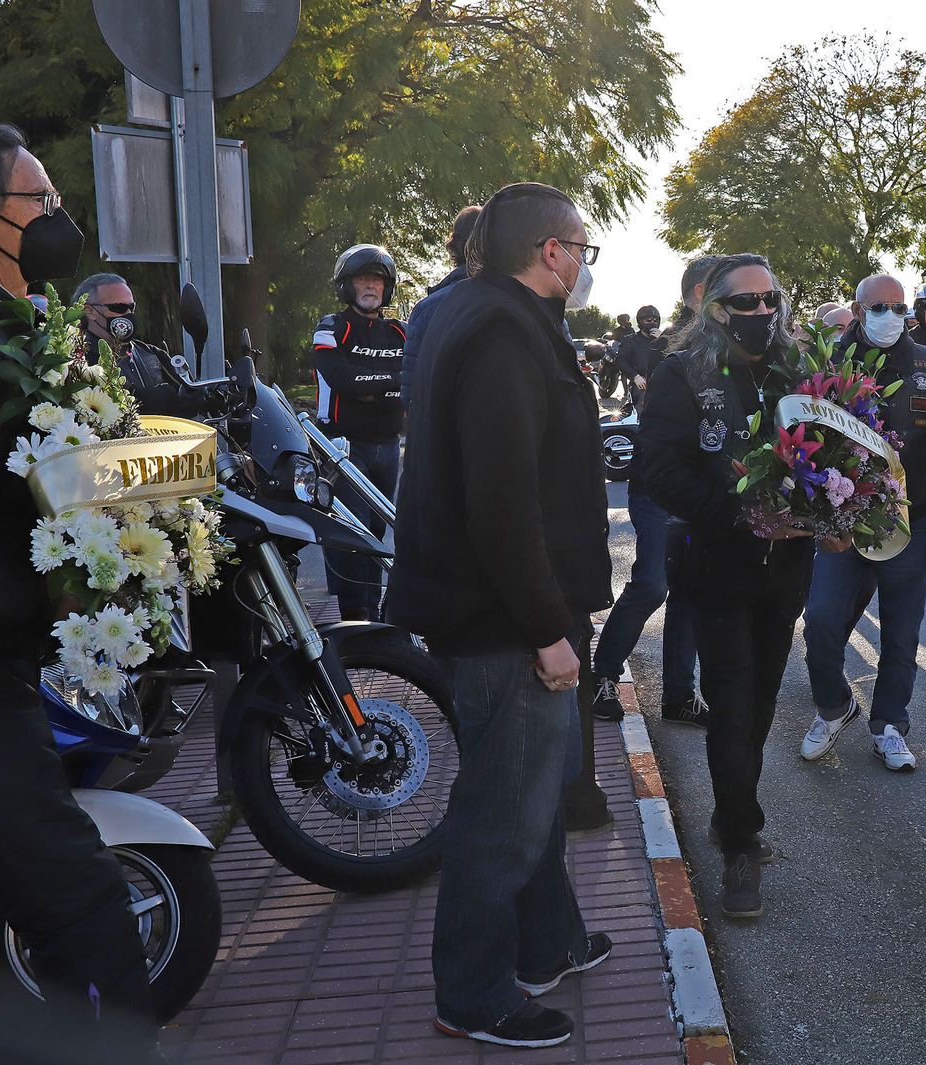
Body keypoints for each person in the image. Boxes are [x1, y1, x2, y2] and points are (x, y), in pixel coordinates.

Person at [390, 182, 614, 1049]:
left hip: (498, 604)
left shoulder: (470, 309)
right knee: (502, 809)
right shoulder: (501, 332)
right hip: (502, 617)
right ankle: (475, 992)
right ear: (551, 251)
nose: (586, 264)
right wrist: (547, 629)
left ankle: (546, 939)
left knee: (536, 792)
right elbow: (504, 502)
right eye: (583, 248)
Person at [0, 122, 158, 1061]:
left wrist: (166, 470)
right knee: (84, 908)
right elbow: (37, 473)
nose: (57, 221)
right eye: (39, 202)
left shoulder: (14, 315)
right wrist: (163, 478)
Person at [636, 253, 835, 918]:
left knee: (761, 699)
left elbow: (834, 454)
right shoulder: (680, 373)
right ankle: (741, 843)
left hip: (785, 573)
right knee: (731, 700)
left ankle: (733, 815)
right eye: (743, 302)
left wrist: (840, 509)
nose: (759, 312)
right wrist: (744, 513)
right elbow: (659, 470)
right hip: (715, 566)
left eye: (768, 299)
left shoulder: (799, 369)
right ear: (712, 307)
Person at [798, 274, 926, 771]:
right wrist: (816, 518)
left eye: (900, 308)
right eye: (880, 306)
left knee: (901, 635)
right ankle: (835, 707)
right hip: (843, 524)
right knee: (822, 624)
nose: (892, 316)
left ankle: (890, 726)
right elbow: (802, 440)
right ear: (857, 310)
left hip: (912, 524)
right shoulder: (829, 363)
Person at [591, 268, 710, 729]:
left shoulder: (733, 349)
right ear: (702, 295)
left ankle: (680, 696)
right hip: (658, 486)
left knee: (690, 592)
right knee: (653, 584)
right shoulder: (673, 346)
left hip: (701, 492)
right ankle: (603, 675)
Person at [311, 243, 406, 621]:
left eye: (378, 281)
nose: (371, 287)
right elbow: (343, 378)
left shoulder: (402, 331)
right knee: (351, 536)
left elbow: (414, 382)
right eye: (363, 279)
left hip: (389, 446)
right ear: (346, 285)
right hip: (342, 448)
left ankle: (376, 617)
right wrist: (391, 383)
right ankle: (356, 618)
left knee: (378, 532)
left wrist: (376, 387)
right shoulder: (331, 326)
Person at [72, 270, 198, 415]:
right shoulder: (75, 358)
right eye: (118, 307)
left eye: (131, 307)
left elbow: (186, 395)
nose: (128, 314)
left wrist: (201, 396)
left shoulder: (151, 353)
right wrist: (149, 399)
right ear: (90, 311)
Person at [402, 205, 480, 409]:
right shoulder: (528, 302)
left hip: (442, 432)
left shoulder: (425, 310)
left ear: (454, 245)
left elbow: (411, 395)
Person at [616, 304, 665, 408]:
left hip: (663, 385)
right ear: (640, 321)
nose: (652, 323)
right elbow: (620, 361)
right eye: (648, 320)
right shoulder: (630, 340)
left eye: (655, 321)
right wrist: (635, 376)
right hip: (642, 386)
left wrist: (663, 340)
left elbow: (675, 355)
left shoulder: (664, 340)